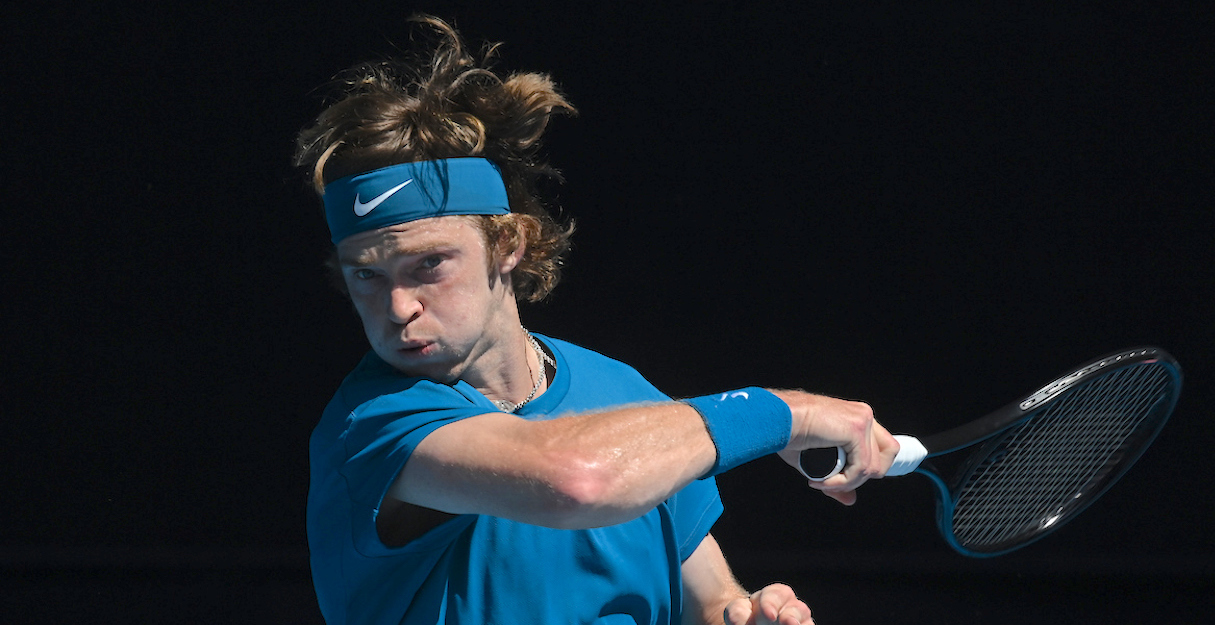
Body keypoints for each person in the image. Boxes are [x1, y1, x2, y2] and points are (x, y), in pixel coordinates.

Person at [294, 15, 900, 625]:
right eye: (366, 275)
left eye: (429, 264)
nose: (399, 308)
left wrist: (747, 615)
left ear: (508, 246)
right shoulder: (373, 423)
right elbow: (576, 479)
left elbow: (710, 599)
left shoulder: (628, 398)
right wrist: (786, 413)